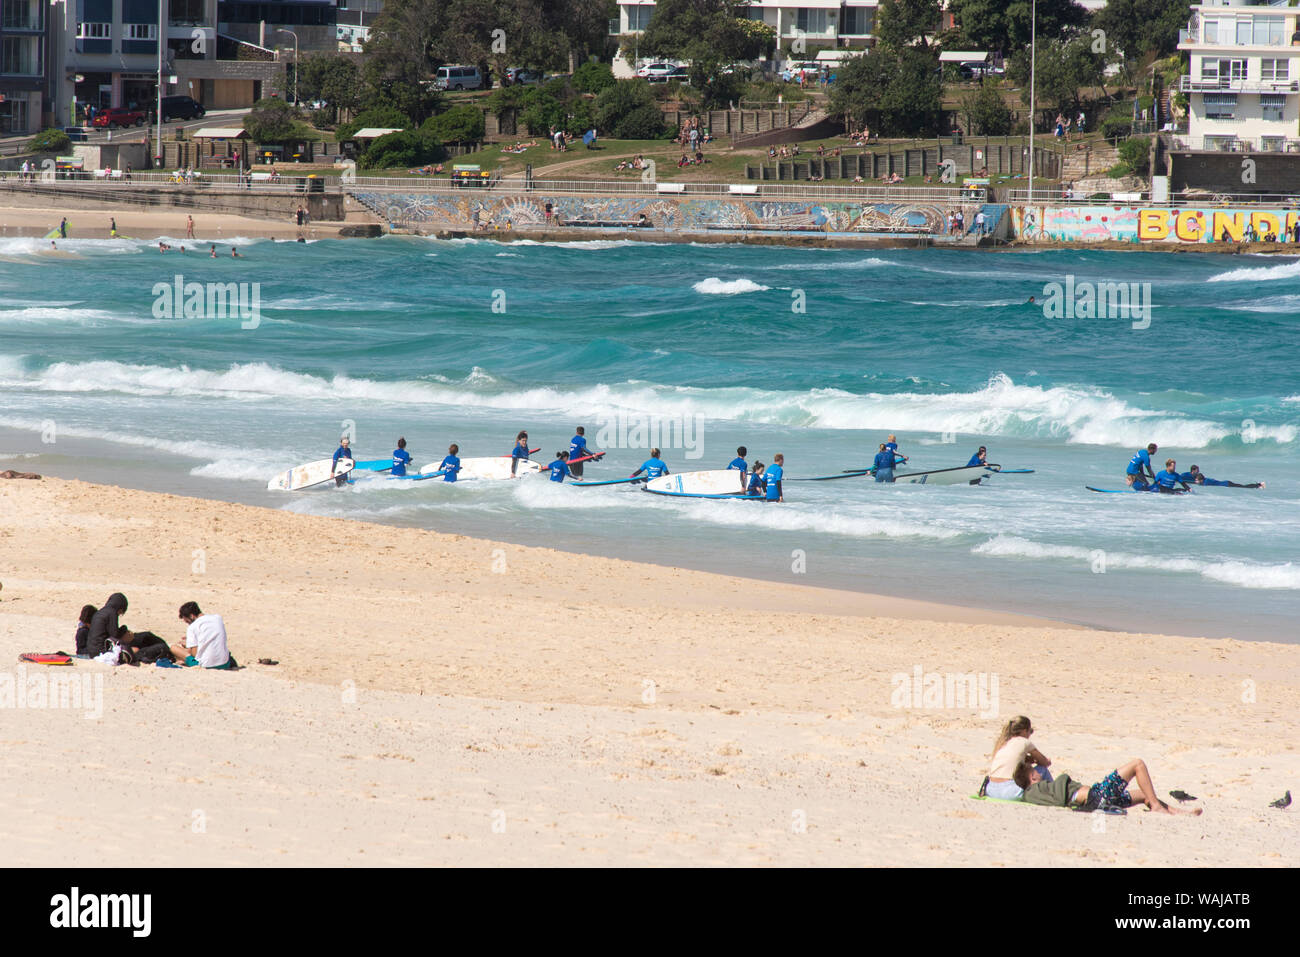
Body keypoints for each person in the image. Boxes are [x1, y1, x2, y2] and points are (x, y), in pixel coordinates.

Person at [984, 715, 1052, 801]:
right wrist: (1043, 761)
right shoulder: (1024, 742)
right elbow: (1045, 762)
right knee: (1043, 769)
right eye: (1030, 731)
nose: (1029, 735)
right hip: (1010, 791)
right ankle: (1054, 794)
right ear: (1024, 731)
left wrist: (1030, 760)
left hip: (990, 790)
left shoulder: (1003, 744)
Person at [170, 601, 235, 669]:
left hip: (206, 665)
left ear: (191, 616)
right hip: (225, 663)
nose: (188, 624)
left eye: (187, 621)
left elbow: (195, 654)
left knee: (174, 648)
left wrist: (188, 645)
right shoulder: (218, 618)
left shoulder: (192, 627)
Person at [86, 593, 130, 658]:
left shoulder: (100, 612)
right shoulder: (112, 612)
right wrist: (124, 629)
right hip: (100, 651)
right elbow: (114, 634)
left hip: (91, 651)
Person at [1181, 465, 1264, 489]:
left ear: (1201, 480)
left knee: (1243, 487)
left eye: (1197, 480)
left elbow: (1203, 483)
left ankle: (1258, 485)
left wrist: (1197, 483)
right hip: (1226, 483)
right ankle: (1258, 485)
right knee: (1242, 486)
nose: (1196, 480)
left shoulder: (1206, 482)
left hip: (1227, 484)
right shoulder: (1205, 480)